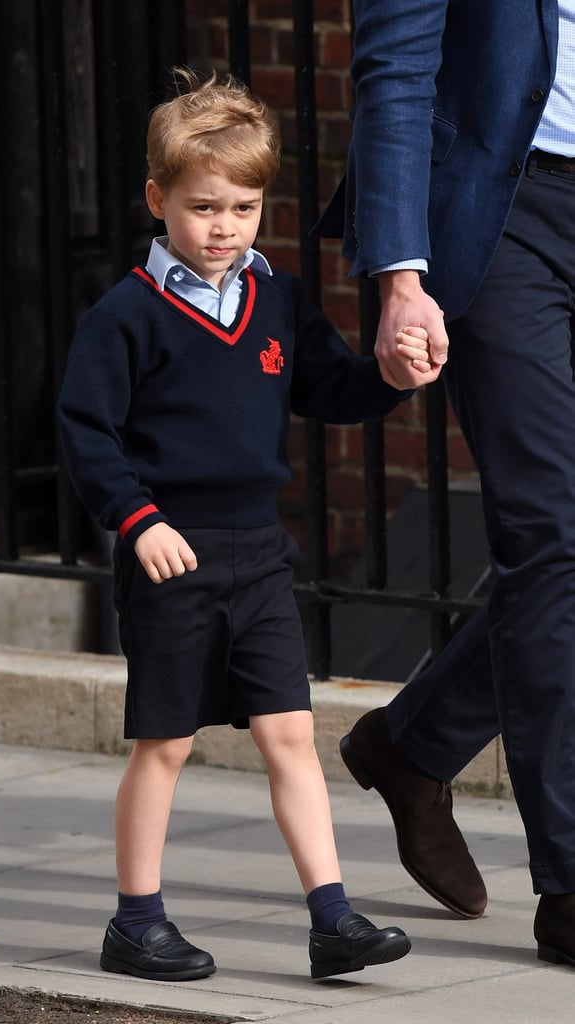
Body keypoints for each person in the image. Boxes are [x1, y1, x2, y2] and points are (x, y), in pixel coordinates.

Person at [57, 68, 430, 982]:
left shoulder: (278, 299)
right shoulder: (125, 317)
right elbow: (84, 431)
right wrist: (136, 521)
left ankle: (333, 918)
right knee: (167, 743)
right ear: (158, 200)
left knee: (290, 734)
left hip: (260, 554)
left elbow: (327, 389)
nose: (224, 228)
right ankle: (134, 922)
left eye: (246, 208)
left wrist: (389, 376)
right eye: (203, 207)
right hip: (170, 555)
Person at [316, 0, 575, 967]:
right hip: (504, 218)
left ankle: (412, 744)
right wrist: (397, 276)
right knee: (550, 534)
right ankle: (568, 880)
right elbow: (397, 73)